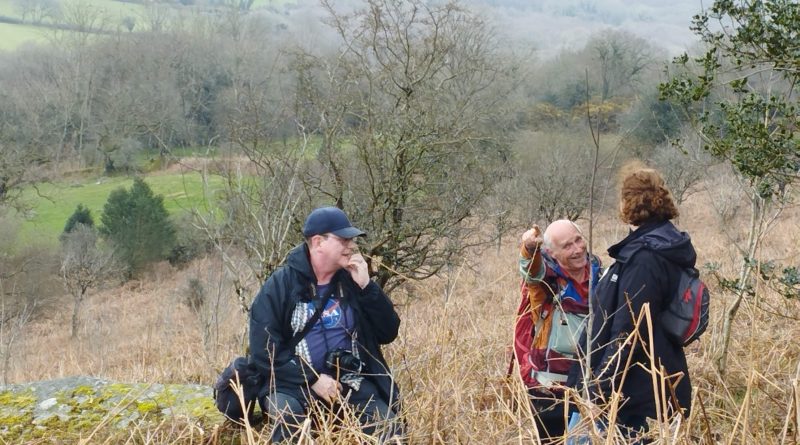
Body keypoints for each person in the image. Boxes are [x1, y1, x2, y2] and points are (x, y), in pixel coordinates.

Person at [249, 206, 402, 443]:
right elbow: (264, 350)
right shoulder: (281, 285)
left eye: (352, 240)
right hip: (292, 385)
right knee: (288, 422)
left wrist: (368, 288)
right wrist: (311, 379)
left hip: (350, 381)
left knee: (390, 430)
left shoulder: (351, 281)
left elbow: (388, 332)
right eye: (343, 239)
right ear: (318, 242)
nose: (351, 246)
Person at [569, 166, 694, 442]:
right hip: (643, 386)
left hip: (629, 395)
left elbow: (628, 333)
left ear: (629, 202)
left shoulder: (645, 258)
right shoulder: (662, 245)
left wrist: (597, 394)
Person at [514, 219, 602, 442]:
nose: (577, 249)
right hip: (549, 392)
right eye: (567, 246)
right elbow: (531, 270)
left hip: (588, 389)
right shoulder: (544, 285)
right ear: (552, 254)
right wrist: (529, 248)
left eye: (578, 240)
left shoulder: (600, 275)